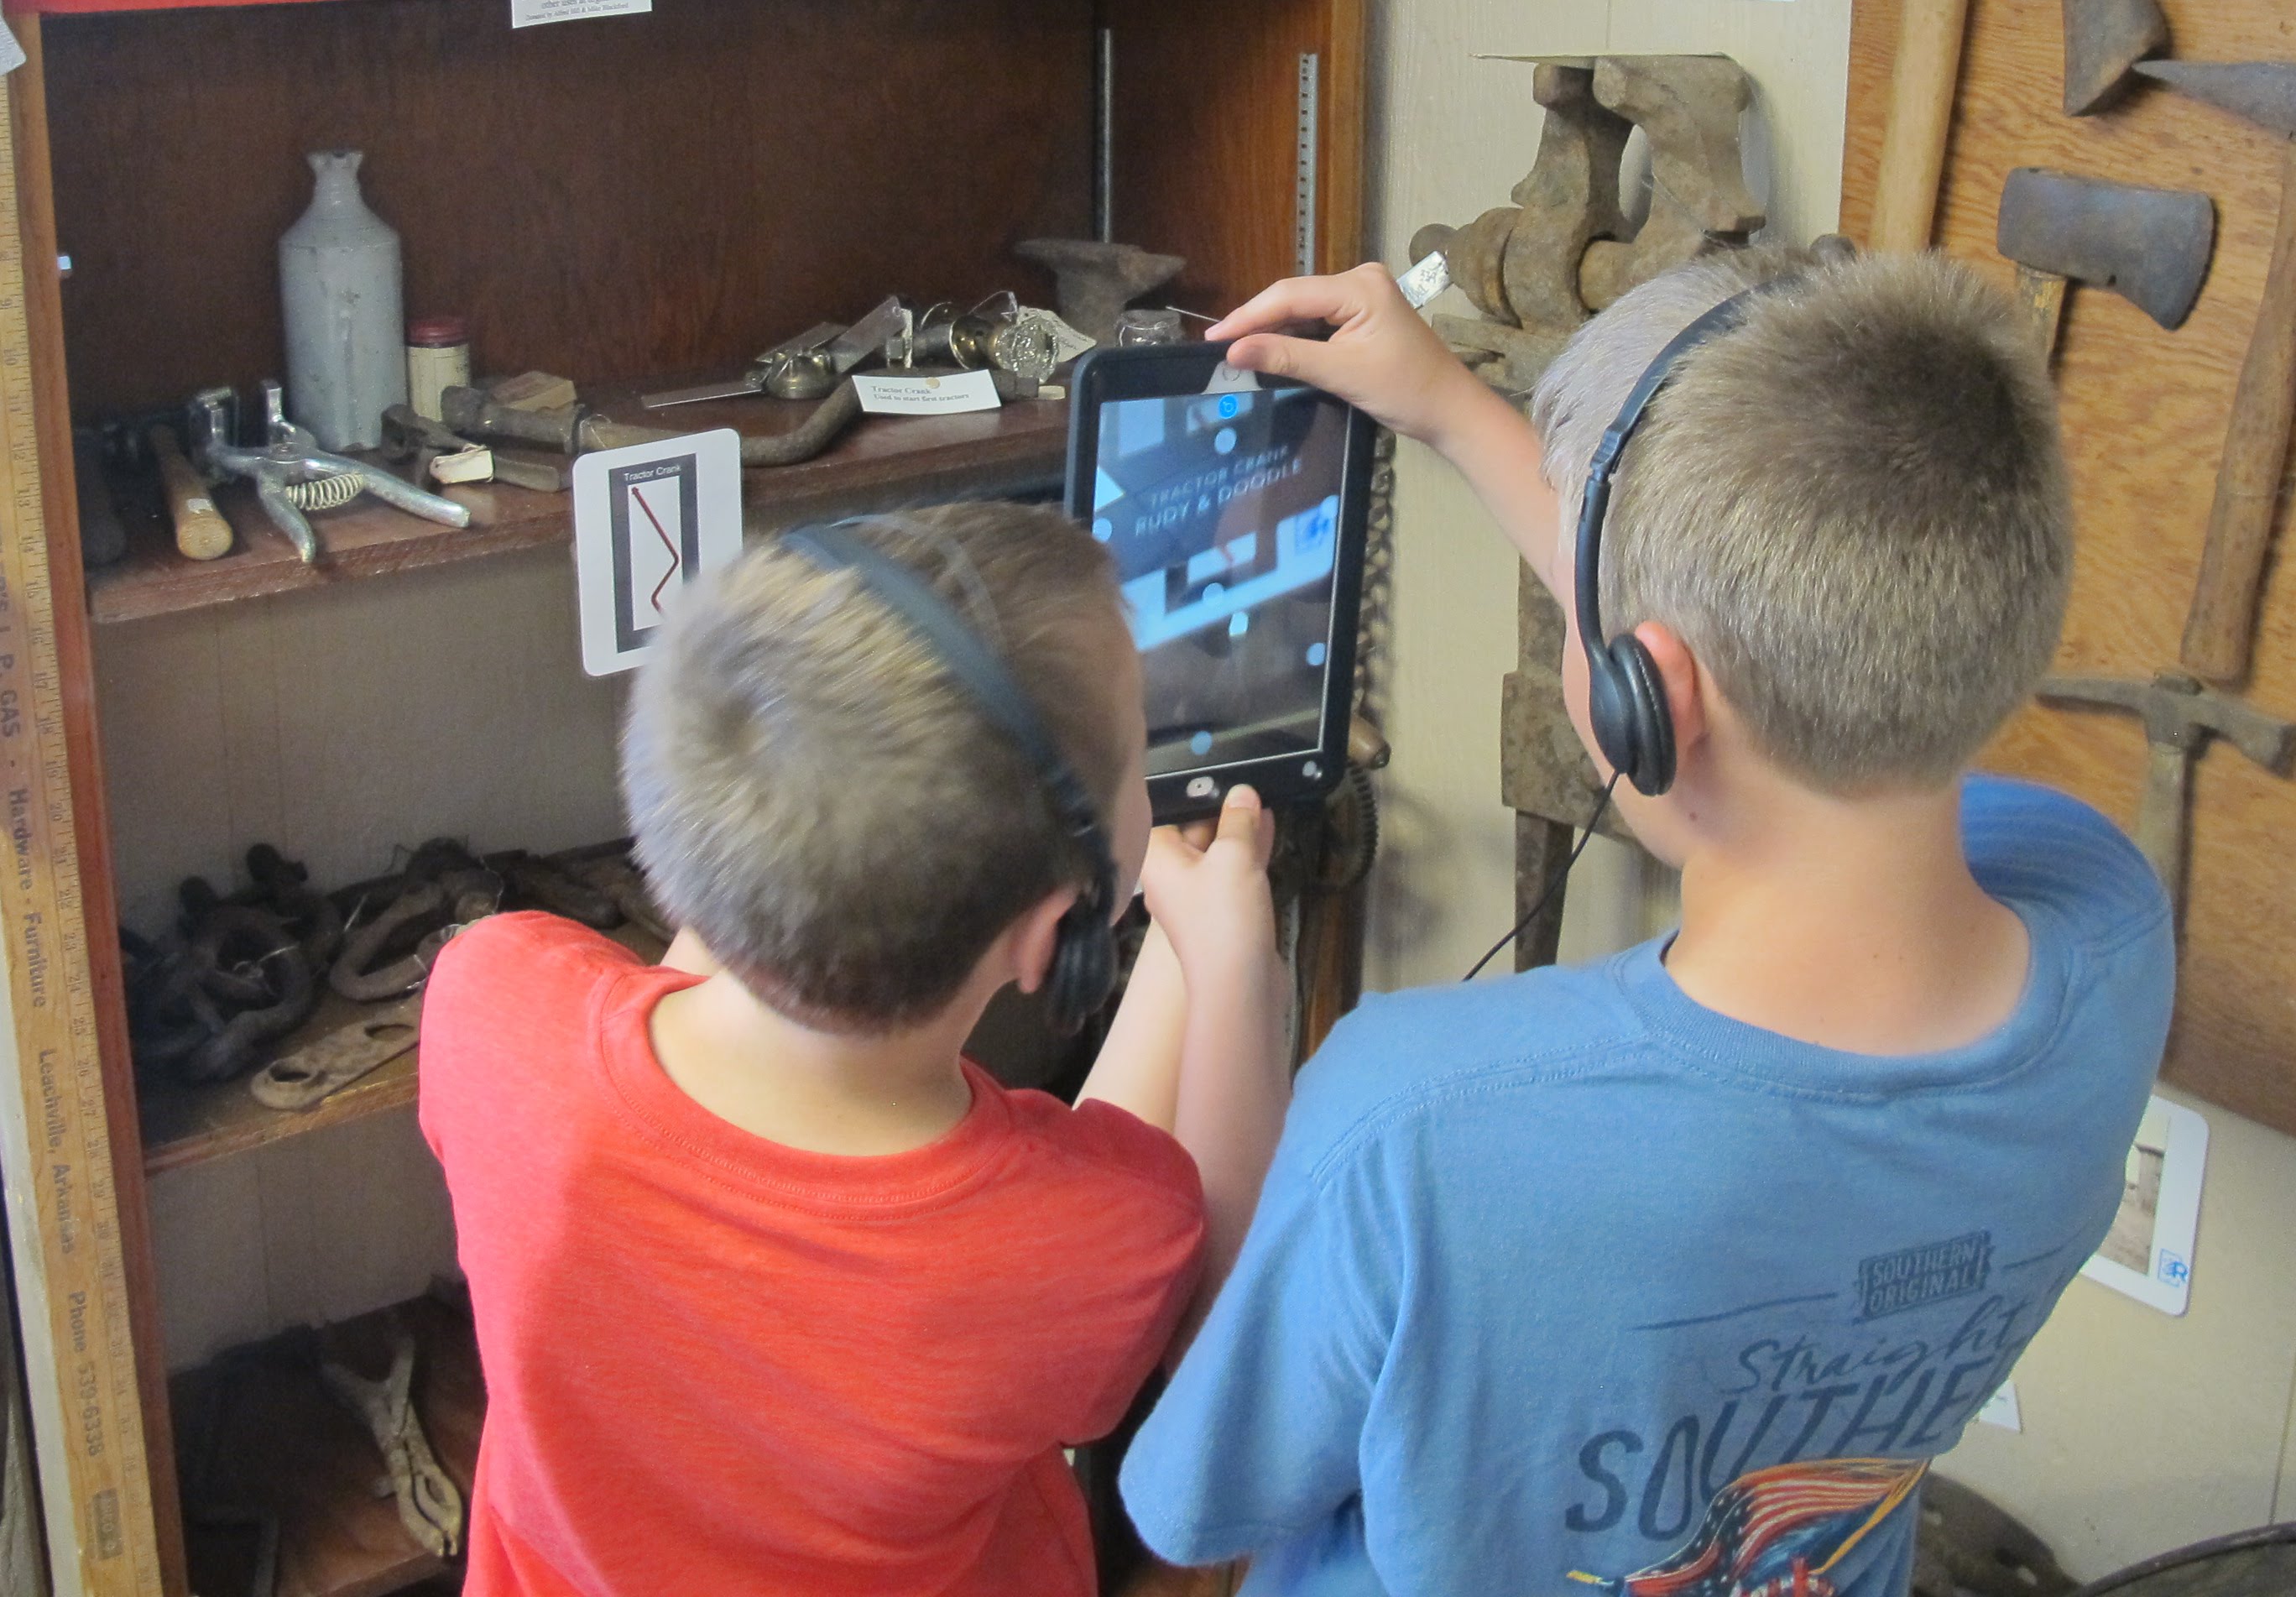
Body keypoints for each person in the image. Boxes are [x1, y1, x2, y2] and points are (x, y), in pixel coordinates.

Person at [1120, 249, 2173, 1597]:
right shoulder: (2109, 928)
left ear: (1640, 699)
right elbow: (1796, 671)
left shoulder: (1409, 1128)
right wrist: (1449, 407)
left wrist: (1223, 971)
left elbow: (1210, 1488)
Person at [420, 500, 1293, 1597]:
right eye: (1139, 744)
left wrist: (1171, 943)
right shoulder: (1085, 1247)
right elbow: (1225, 1325)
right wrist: (1230, 960)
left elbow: (709, 965)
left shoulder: (489, 1008)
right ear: (1047, 933)